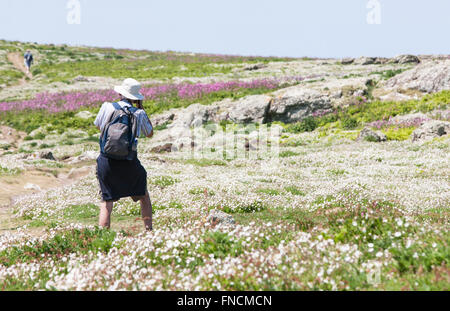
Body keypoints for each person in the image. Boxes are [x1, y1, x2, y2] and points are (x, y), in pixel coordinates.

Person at [94, 78, 154, 231]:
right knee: (143, 196)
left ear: (120, 93)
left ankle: (103, 237)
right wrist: (141, 108)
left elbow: (98, 126)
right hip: (129, 161)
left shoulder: (107, 107)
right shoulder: (139, 113)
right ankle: (149, 231)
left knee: (106, 202)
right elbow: (149, 133)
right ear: (136, 98)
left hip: (106, 160)